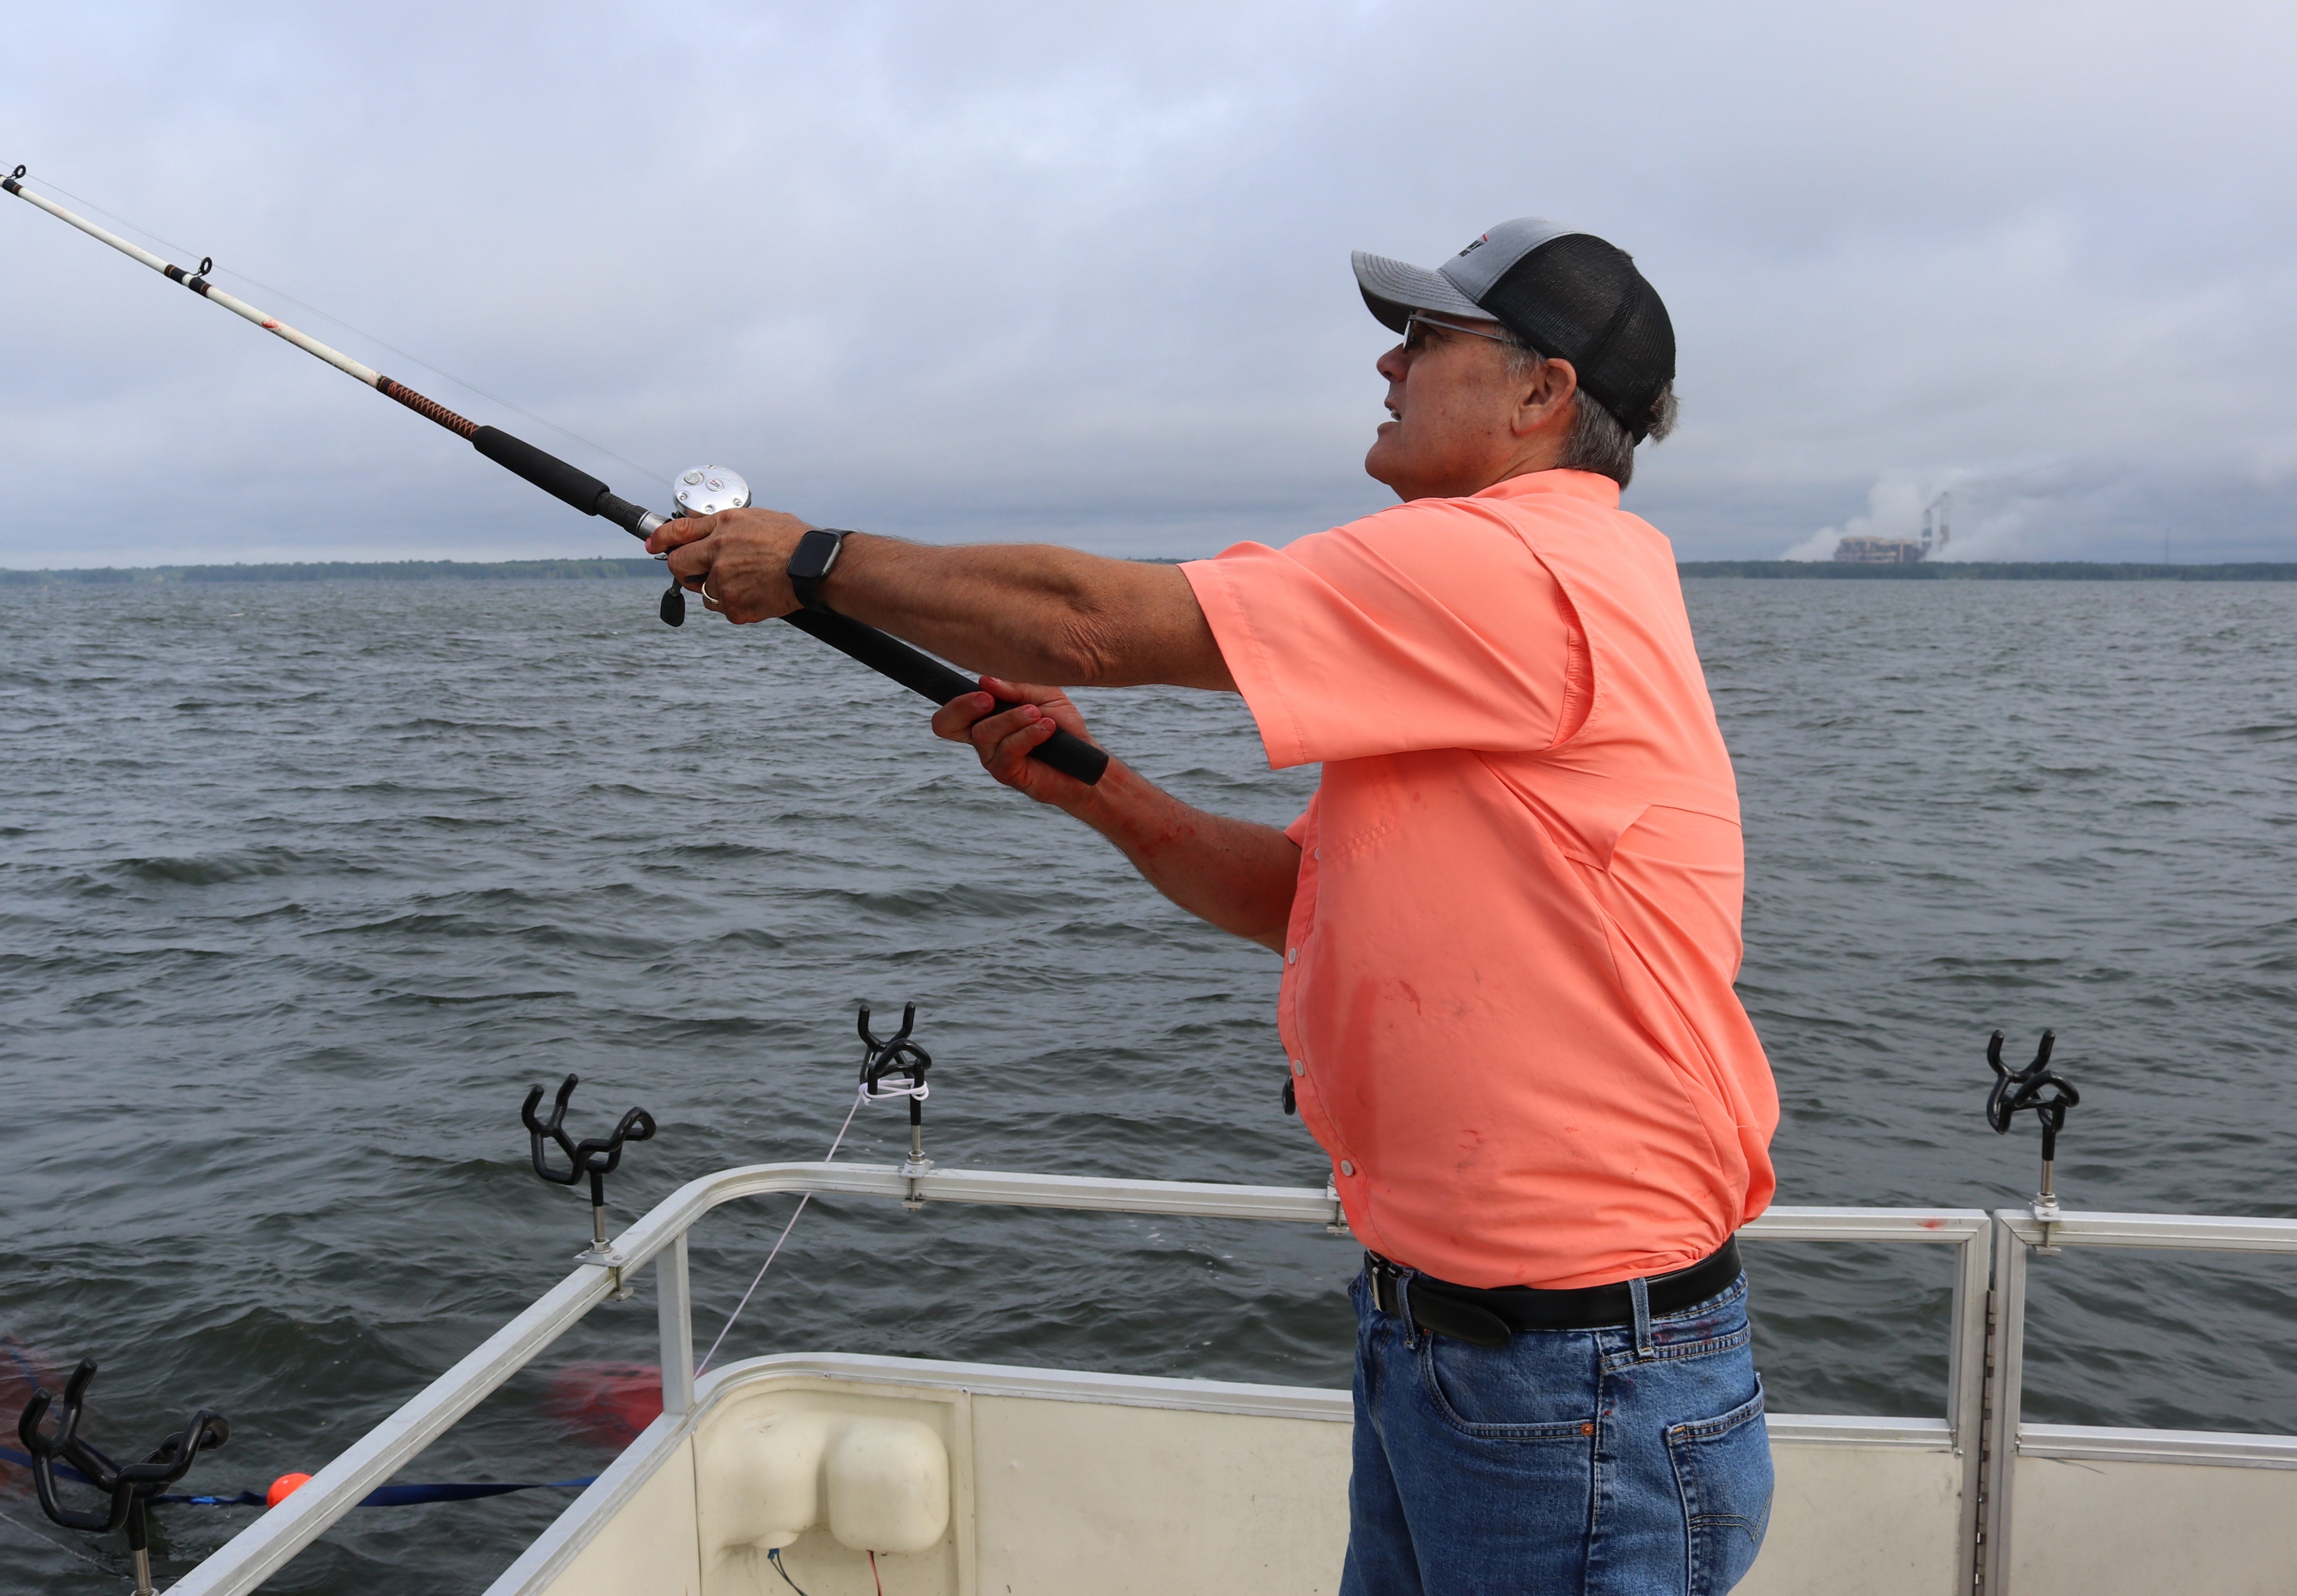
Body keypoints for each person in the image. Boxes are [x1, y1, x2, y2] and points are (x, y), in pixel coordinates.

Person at [652, 217, 1781, 1596]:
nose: (1391, 358)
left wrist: (810, 561)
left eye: (1430, 338)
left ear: (1544, 393)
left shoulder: (1522, 564)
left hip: (1579, 1375)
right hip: (1462, 1351)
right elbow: (1310, 897)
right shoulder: (1501, 603)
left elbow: (1084, 618)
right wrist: (1098, 789)